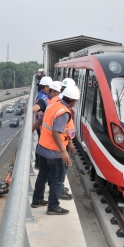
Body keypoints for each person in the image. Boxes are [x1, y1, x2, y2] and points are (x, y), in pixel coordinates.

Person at [31, 85, 80, 215]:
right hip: (54, 153)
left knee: (42, 175)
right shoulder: (64, 112)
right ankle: (53, 207)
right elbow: (56, 132)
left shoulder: (52, 105)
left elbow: (43, 121)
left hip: (42, 148)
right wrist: (63, 152)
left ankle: (37, 200)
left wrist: (69, 142)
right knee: (58, 180)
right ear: (74, 101)